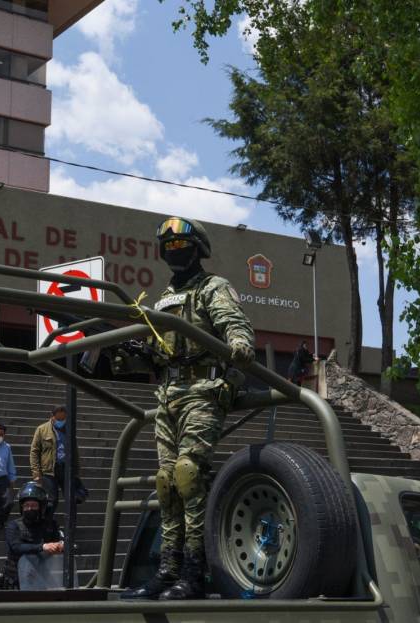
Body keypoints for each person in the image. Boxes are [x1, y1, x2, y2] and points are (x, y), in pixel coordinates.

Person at [116, 217, 255, 601]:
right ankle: (167, 570)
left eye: (183, 247)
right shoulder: (161, 300)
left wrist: (240, 343)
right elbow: (161, 352)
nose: (176, 253)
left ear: (198, 250)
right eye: (169, 248)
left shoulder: (212, 287)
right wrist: (137, 356)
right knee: (167, 484)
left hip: (203, 388)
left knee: (188, 475)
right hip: (168, 392)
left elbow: (234, 324)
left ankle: (195, 572)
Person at [0, 482, 64, 590]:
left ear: (41, 507)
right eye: (26, 505)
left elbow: (59, 540)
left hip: (41, 575)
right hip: (16, 578)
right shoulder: (13, 526)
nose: (29, 509)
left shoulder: (50, 525)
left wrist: (61, 545)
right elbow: (16, 547)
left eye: (33, 505)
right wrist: (43, 547)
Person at [29, 406, 82, 519]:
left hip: (66, 469)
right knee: (51, 501)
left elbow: (75, 451)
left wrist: (76, 471)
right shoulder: (42, 429)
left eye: (64, 419)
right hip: (49, 471)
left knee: (71, 500)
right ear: (52, 417)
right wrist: (36, 473)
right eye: (59, 419)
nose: (61, 421)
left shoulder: (69, 430)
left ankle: (71, 528)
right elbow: (34, 452)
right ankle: (46, 525)